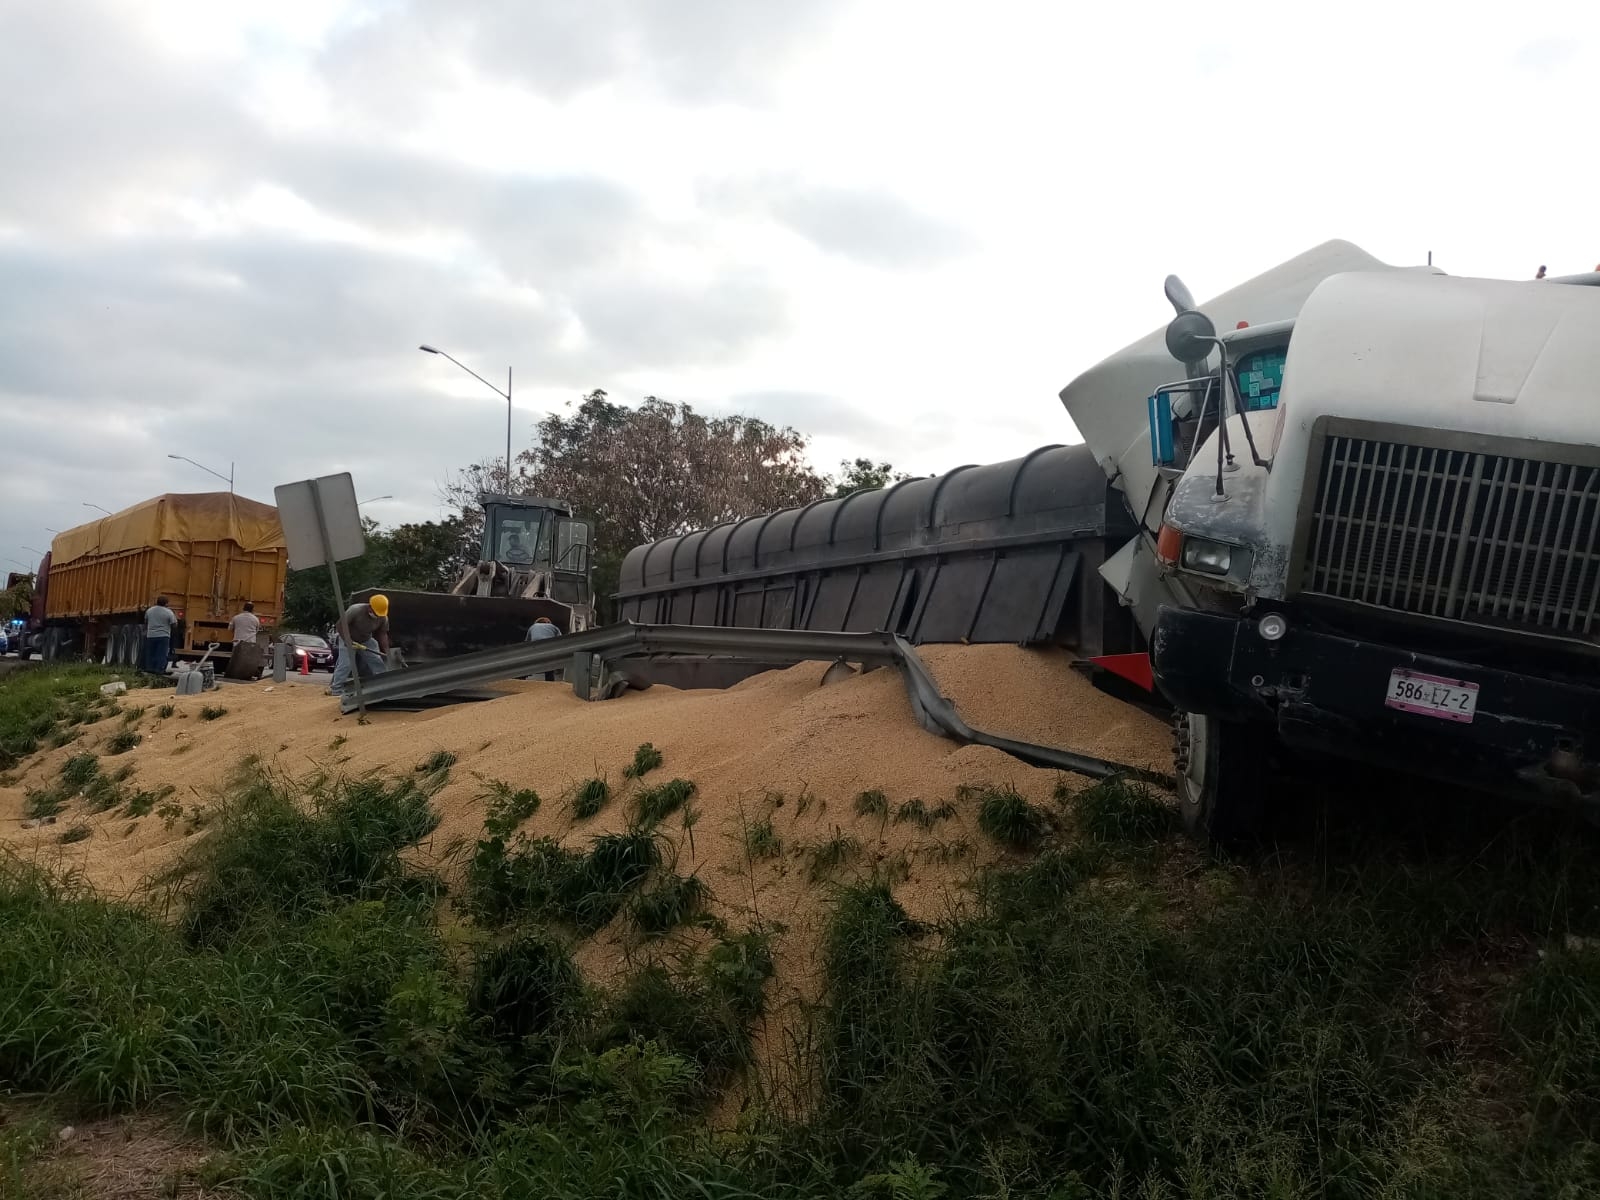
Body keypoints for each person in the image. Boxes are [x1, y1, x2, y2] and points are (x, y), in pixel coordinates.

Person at [329, 594, 392, 696]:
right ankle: (336, 690)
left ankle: (383, 686)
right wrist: (348, 641)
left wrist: (387, 650)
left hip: (366, 639)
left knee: (377, 662)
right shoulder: (355, 610)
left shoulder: (383, 617)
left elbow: (382, 633)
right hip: (347, 637)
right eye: (375, 613)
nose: (376, 616)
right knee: (346, 664)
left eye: (378, 614)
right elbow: (340, 625)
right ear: (370, 607)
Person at [143, 595, 178, 675]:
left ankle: (150, 668)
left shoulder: (150, 610)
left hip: (151, 635)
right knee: (161, 653)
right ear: (166, 603)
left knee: (151, 652)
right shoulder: (168, 612)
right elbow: (174, 624)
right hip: (163, 636)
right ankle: (159, 669)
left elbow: (145, 621)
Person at [526, 615, 561, 681]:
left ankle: (521, 677)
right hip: (549, 648)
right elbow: (560, 640)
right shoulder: (553, 626)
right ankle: (550, 682)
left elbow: (527, 642)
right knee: (549, 666)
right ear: (548, 622)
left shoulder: (533, 626)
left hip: (535, 648)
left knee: (526, 663)